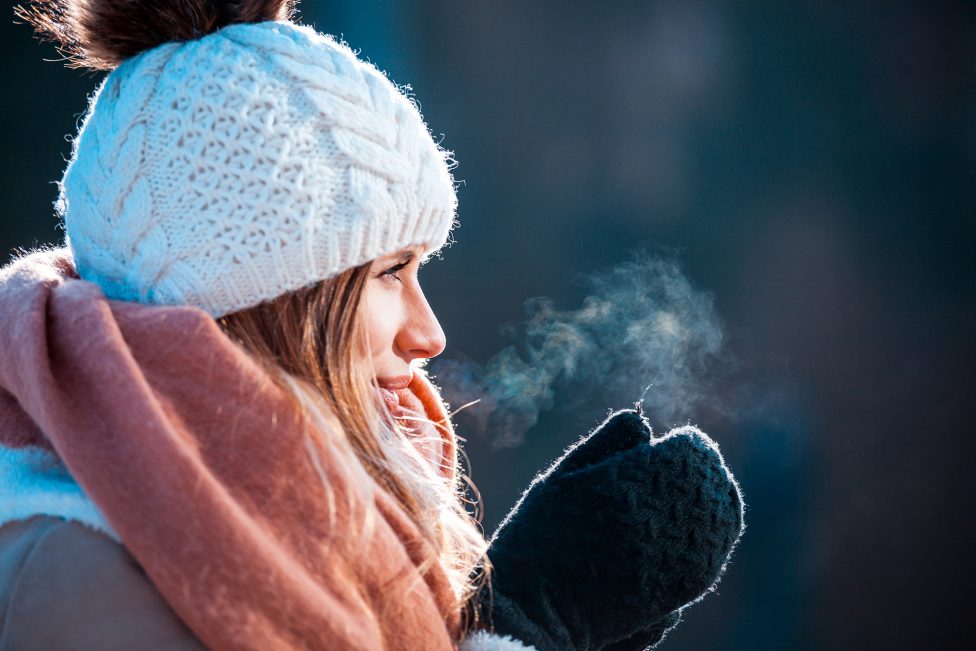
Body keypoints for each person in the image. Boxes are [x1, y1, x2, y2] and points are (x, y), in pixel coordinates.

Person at [1, 1, 746, 650]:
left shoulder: (280, 528)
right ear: (266, 298)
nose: (430, 333)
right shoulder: (81, 570)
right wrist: (525, 629)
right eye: (390, 272)